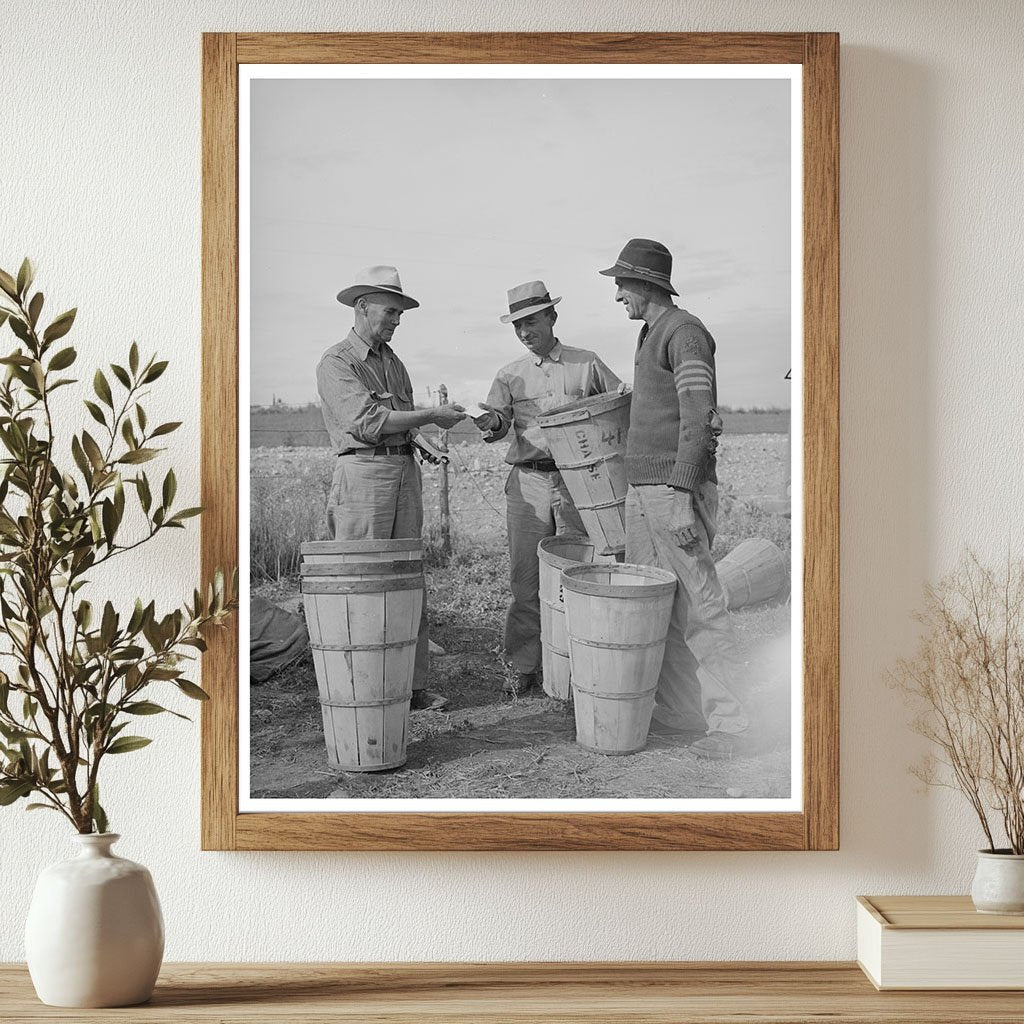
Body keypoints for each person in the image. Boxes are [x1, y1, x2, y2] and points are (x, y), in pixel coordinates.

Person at [599, 239, 749, 759]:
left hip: (672, 491)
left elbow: (699, 417)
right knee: (659, 606)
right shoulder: (651, 333)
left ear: (645, 284)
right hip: (644, 492)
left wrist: (683, 494)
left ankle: (730, 725)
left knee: (702, 604)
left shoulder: (684, 333)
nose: (617, 293)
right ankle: (685, 713)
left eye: (622, 283)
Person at [316, 265, 465, 711]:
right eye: (390, 312)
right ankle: (361, 687)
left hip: (403, 475)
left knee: (407, 579)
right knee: (362, 583)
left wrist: (421, 444)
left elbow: (400, 421)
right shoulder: (337, 362)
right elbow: (368, 422)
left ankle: (412, 687)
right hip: (363, 480)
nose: (396, 322)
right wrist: (430, 419)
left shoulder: (393, 363)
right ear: (362, 308)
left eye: (400, 314)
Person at [473, 280, 621, 694]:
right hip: (528, 483)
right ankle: (523, 667)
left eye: (531, 321)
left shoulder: (586, 363)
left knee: (580, 572)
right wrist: (490, 421)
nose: (524, 331)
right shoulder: (509, 375)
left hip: (580, 482)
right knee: (525, 579)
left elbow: (618, 405)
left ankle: (578, 663)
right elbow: (499, 425)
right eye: (517, 325)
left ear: (552, 317)